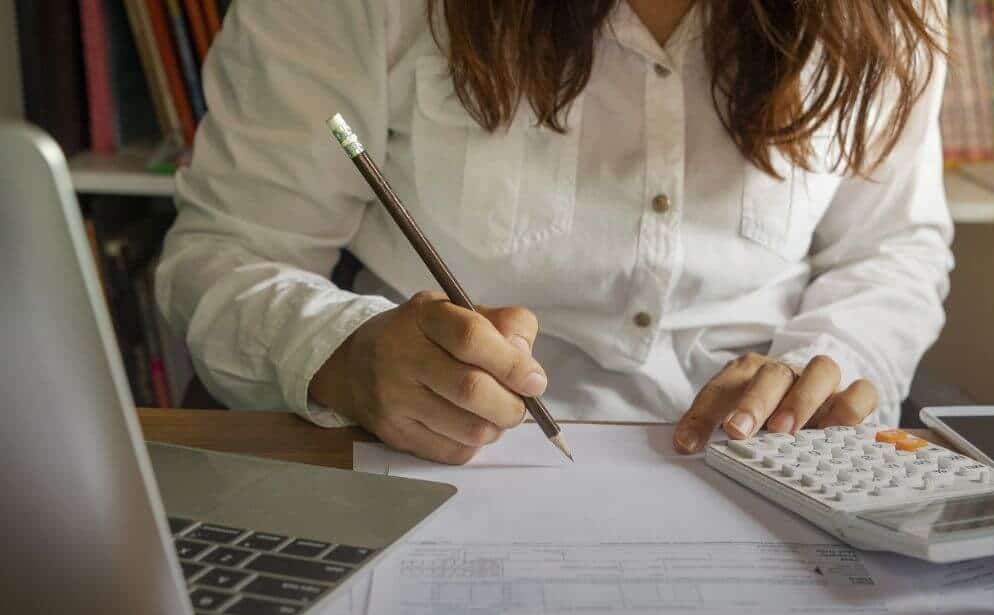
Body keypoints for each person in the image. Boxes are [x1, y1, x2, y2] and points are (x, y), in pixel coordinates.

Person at [157, 0, 953, 464]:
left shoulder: (887, 14)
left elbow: (890, 249)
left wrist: (827, 371)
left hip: (767, 473)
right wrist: (340, 353)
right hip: (434, 467)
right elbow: (226, 253)